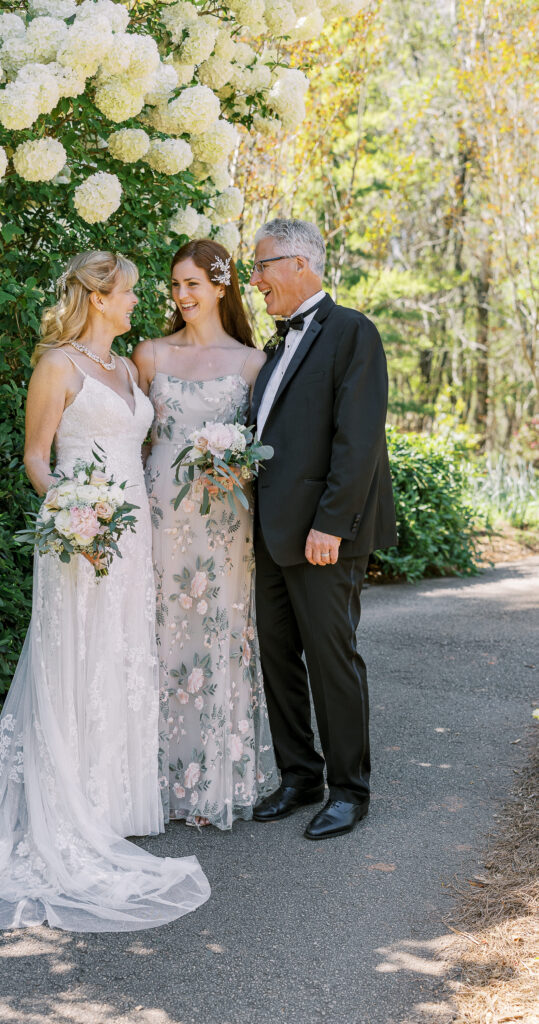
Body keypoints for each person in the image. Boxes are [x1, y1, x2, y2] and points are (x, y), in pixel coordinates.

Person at [0, 251, 210, 930]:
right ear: (97, 297)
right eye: (127, 293)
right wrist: (72, 514)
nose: (135, 303)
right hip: (79, 537)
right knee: (74, 665)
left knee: (120, 659)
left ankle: (109, 809)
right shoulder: (57, 365)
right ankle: (67, 813)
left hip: (132, 538)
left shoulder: (124, 368)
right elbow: (37, 457)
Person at [249, 219, 397, 840]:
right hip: (270, 531)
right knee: (278, 655)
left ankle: (348, 790)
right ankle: (299, 774)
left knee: (332, 659)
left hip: (323, 535)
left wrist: (331, 524)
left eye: (262, 267)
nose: (255, 280)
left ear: (300, 264)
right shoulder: (278, 343)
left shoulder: (352, 331)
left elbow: (357, 439)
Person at [133, 239, 278, 830]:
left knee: (216, 631)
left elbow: (267, 449)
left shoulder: (252, 363)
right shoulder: (148, 354)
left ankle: (214, 779)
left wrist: (237, 464)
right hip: (160, 511)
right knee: (156, 632)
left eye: (193, 284)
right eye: (175, 285)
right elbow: (132, 437)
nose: (182, 295)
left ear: (221, 287)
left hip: (222, 523)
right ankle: (147, 781)